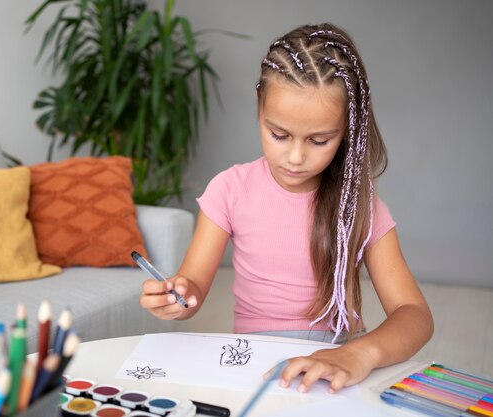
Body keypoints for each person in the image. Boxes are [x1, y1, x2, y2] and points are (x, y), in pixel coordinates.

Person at [139, 22, 433, 393]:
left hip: (340, 358)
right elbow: (192, 288)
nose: (295, 158)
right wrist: (178, 298)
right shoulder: (229, 189)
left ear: (347, 130)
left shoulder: (358, 203)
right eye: (278, 135)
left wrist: (360, 354)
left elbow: (416, 316)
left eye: (320, 140)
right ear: (259, 108)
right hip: (256, 362)